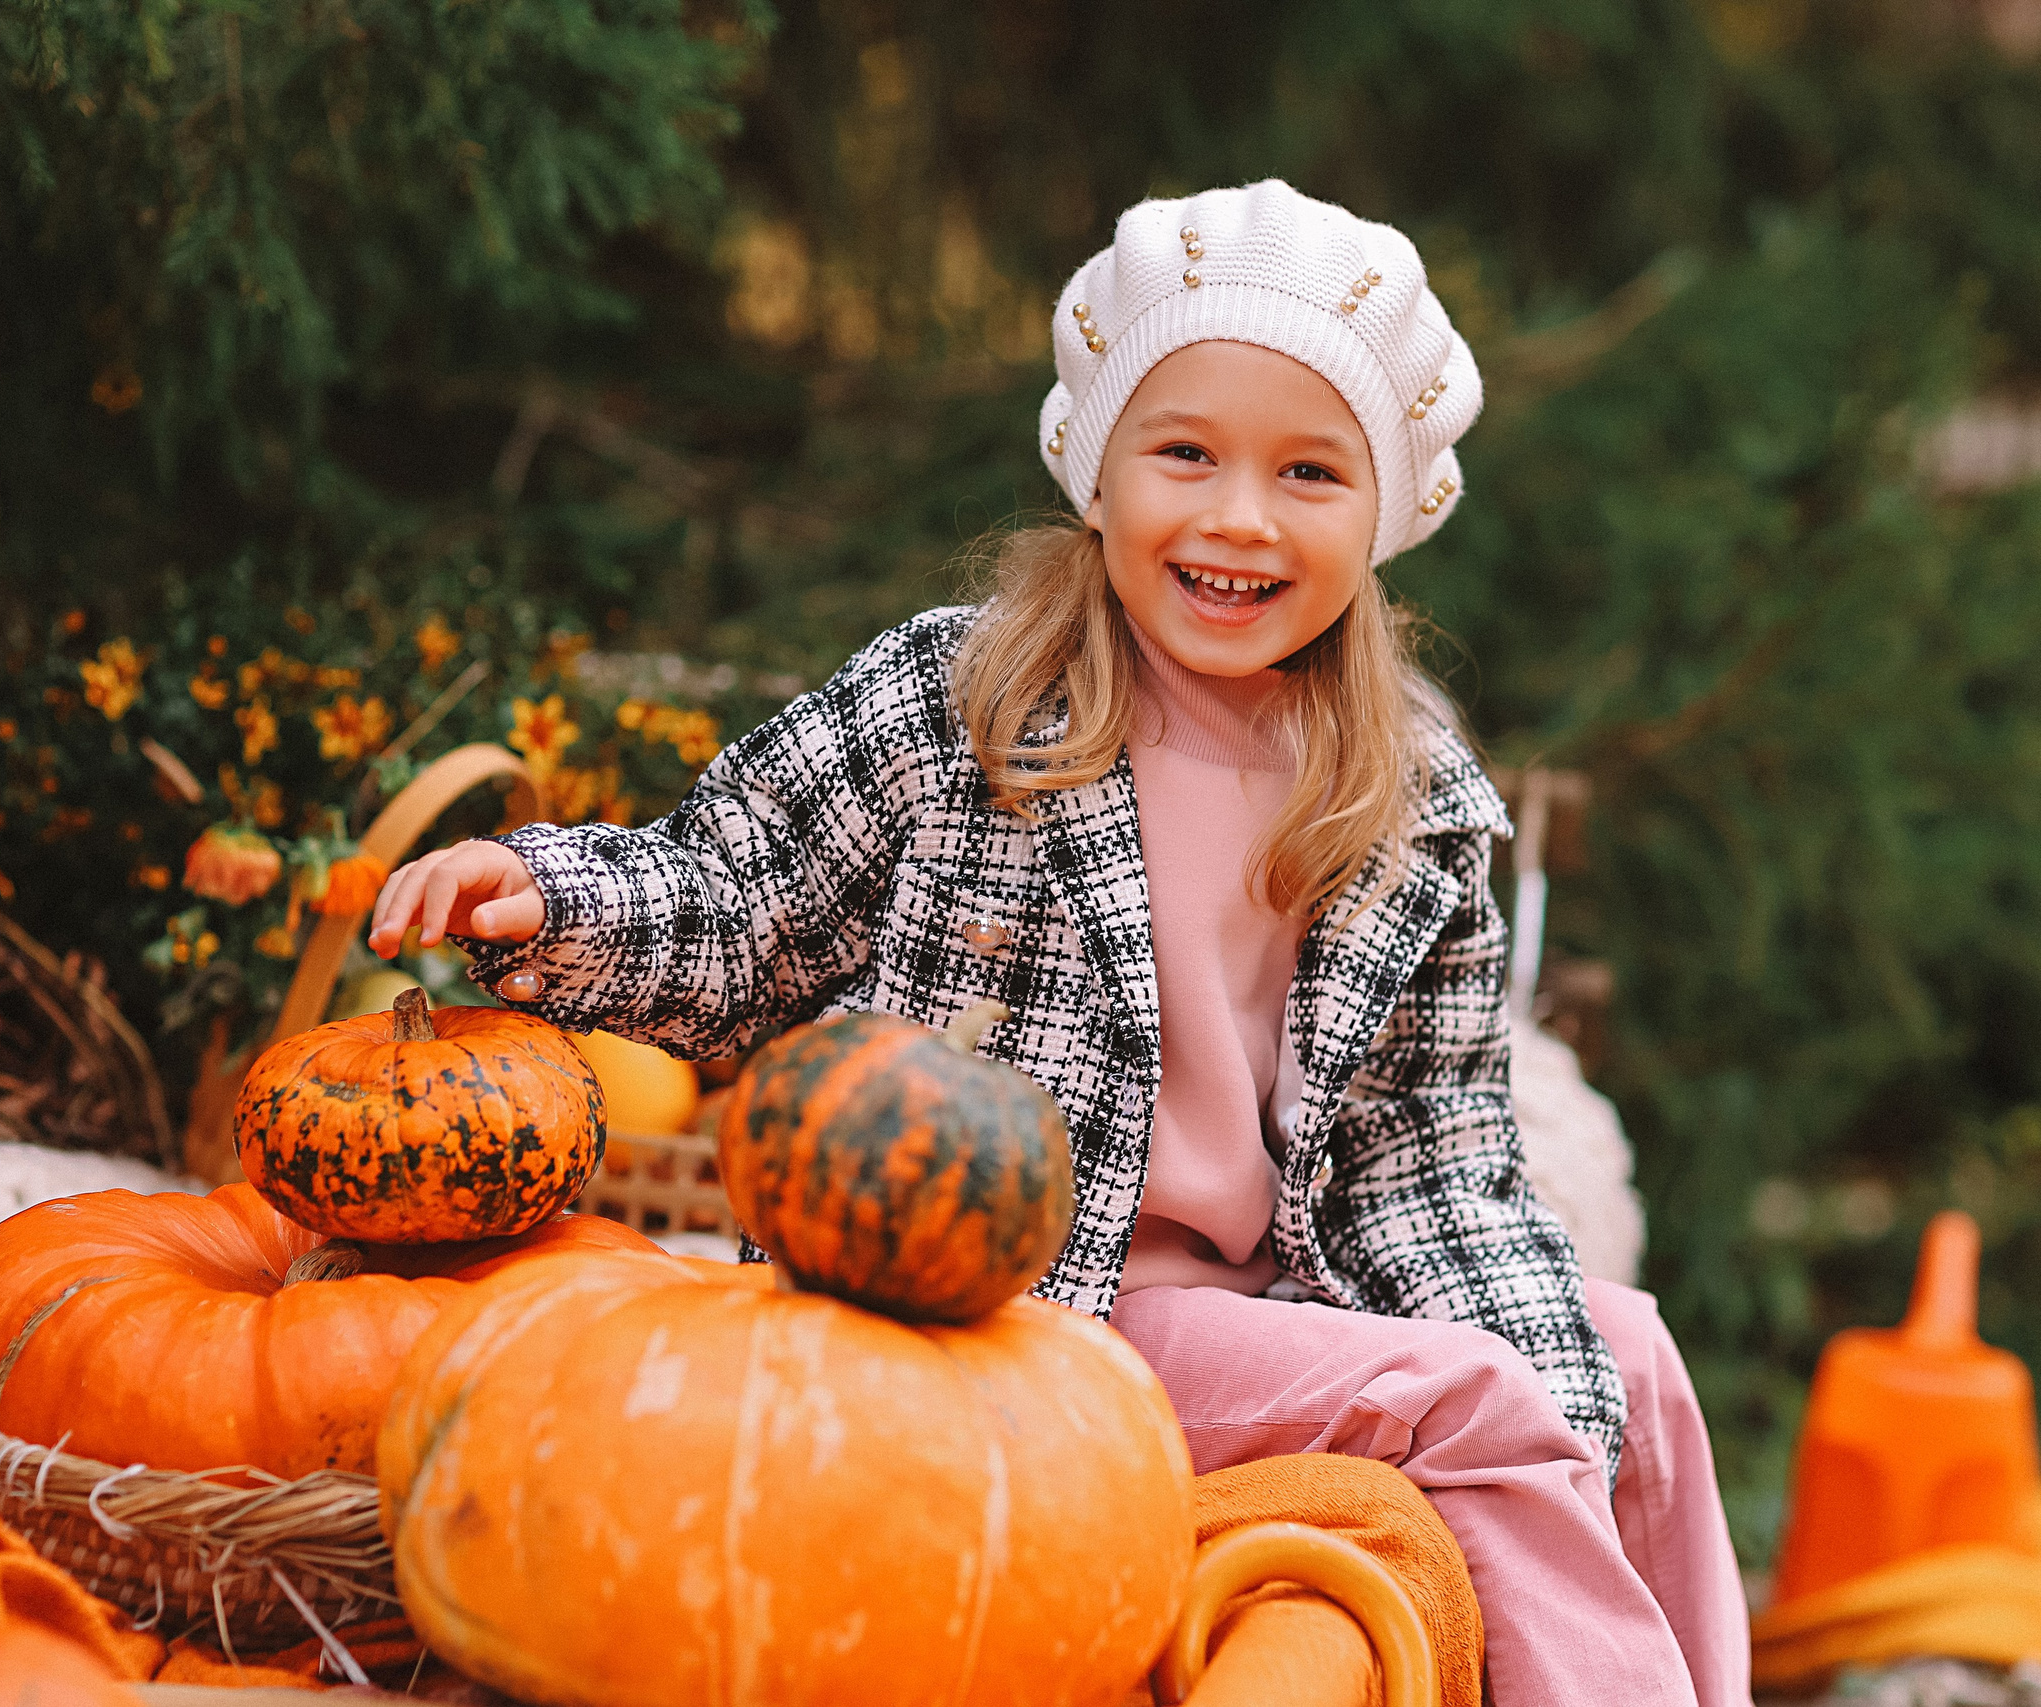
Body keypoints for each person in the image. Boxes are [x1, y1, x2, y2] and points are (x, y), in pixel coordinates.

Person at [369, 180, 1749, 1706]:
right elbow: (739, 897)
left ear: (1386, 512)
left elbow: (1433, 1162)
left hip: (1281, 1304)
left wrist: (1565, 1383)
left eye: (1308, 472)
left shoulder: (1405, 798)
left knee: (1631, 1361)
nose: (1238, 516)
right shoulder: (967, 702)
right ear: (1096, 474)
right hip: (1031, 1318)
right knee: (1475, 1394)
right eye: (1185, 454)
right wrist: (549, 896)